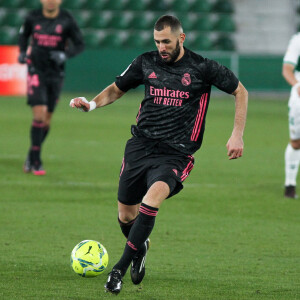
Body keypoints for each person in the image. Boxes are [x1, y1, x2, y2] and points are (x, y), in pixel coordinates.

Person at [70, 15, 248, 294]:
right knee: (126, 215)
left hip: (176, 153)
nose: (161, 47)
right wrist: (91, 105)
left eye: (166, 41)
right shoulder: (145, 62)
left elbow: (240, 91)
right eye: (157, 42)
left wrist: (237, 134)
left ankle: (118, 270)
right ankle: (139, 248)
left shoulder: (203, 67)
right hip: (140, 147)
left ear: (181, 38)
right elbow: (117, 89)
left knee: (152, 200)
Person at [18, 0, 84, 175]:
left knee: (46, 120)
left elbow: (79, 44)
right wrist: (23, 52)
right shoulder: (32, 17)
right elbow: (23, 36)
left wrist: (64, 54)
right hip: (36, 70)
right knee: (39, 115)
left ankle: (30, 156)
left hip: (55, 74)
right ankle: (37, 160)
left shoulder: (67, 19)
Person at [282, 32, 300, 198]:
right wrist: (297, 86)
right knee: (296, 142)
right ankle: (290, 185)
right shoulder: (297, 40)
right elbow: (287, 69)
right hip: (299, 99)